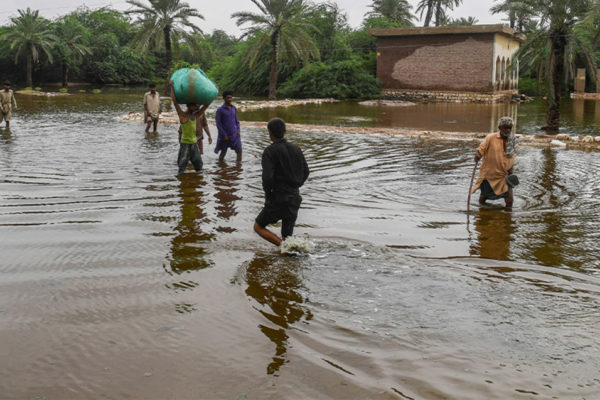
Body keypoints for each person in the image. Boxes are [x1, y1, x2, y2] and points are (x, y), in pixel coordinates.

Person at [254, 118, 309, 246]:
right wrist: (296, 185)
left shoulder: (269, 151)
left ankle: (285, 248)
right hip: (295, 198)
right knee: (287, 237)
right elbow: (306, 171)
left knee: (258, 226)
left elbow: (267, 178)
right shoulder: (296, 149)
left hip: (279, 197)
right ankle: (287, 251)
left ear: (270, 133)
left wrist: (268, 197)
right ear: (285, 131)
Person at [472, 116, 519, 208]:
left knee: (509, 199)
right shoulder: (490, 138)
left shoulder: (513, 140)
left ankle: (507, 215)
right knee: (484, 196)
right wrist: (478, 155)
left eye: (509, 128)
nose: (508, 130)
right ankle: (481, 210)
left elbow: (512, 157)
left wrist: (511, 170)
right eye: (505, 127)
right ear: (499, 128)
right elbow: (481, 149)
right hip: (489, 174)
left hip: (504, 174)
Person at [169, 80, 209, 174]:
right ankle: (181, 181)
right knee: (182, 165)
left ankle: (197, 180)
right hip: (185, 144)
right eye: (194, 106)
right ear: (189, 106)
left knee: (199, 165)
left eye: (196, 106)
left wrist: (212, 95)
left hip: (194, 143)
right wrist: (172, 87)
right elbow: (175, 103)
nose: (196, 107)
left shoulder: (195, 115)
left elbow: (205, 106)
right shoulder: (183, 116)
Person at [214, 90, 242, 163]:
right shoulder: (220, 110)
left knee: (239, 151)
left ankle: (238, 166)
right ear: (224, 98)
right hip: (225, 136)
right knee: (223, 152)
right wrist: (224, 135)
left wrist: (238, 130)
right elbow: (218, 124)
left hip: (234, 134)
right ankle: (221, 166)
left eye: (231, 97)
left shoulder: (233, 108)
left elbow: (237, 121)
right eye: (228, 98)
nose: (230, 99)